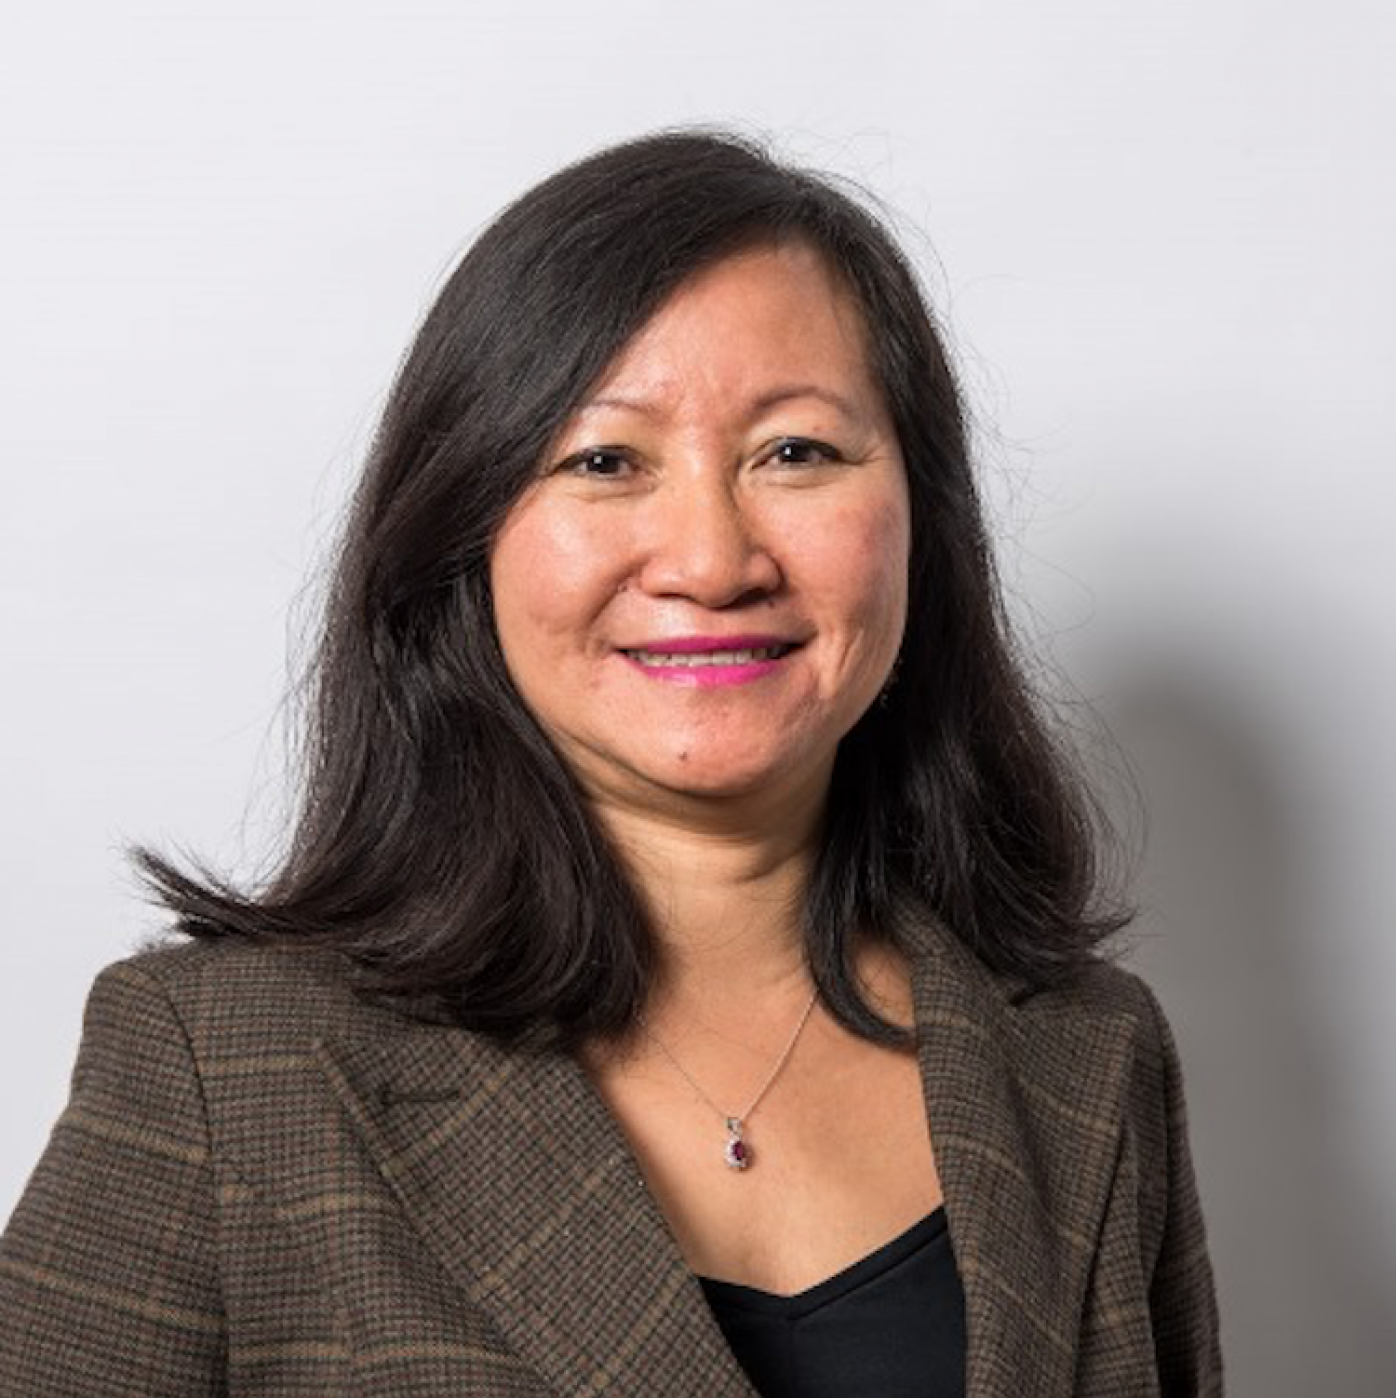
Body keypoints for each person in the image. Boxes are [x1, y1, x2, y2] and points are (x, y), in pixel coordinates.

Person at [0, 129, 1223, 1397]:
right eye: (604, 461)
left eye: (795, 451)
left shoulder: (1086, 1058)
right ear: (462, 533)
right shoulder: (225, 1068)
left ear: (923, 515)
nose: (711, 560)